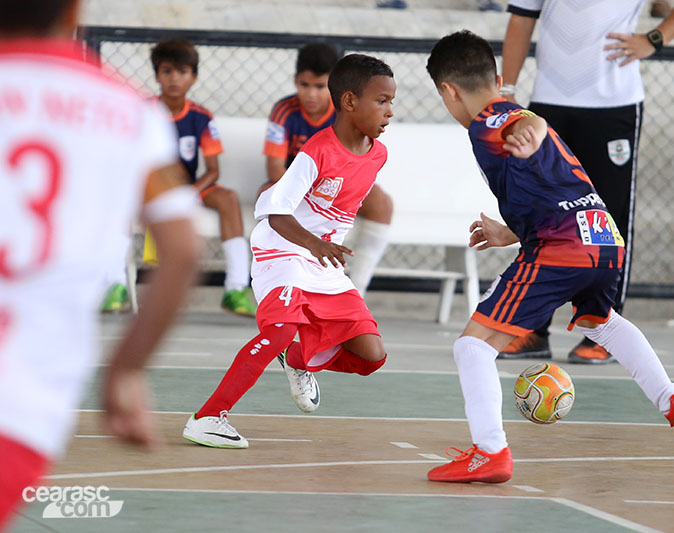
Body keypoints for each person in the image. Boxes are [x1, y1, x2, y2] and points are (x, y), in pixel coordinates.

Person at [424, 30, 674, 484]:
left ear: (448, 91)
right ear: (498, 77)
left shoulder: (492, 119)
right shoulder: (503, 114)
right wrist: (511, 231)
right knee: (604, 322)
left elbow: (529, 123)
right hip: (602, 237)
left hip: (560, 246)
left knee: (472, 346)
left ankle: (490, 451)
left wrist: (530, 134)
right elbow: (552, 189)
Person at [0, 0, 200, 526]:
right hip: (22, 400)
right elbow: (181, 251)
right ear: (73, 14)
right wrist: (125, 370)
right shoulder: (128, 110)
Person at [183, 53, 396, 448]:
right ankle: (208, 417)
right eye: (381, 101)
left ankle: (297, 358)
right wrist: (317, 244)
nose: (389, 111)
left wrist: (323, 248)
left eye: (391, 102)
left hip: (323, 259)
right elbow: (274, 211)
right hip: (282, 247)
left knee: (372, 356)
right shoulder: (317, 152)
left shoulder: (379, 154)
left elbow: (340, 208)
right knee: (279, 329)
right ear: (349, 102)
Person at [499, 0, 674, 363]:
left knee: (608, 220)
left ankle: (603, 328)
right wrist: (508, 91)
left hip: (614, 105)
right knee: (541, 215)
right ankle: (533, 328)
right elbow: (521, 21)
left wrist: (655, 38)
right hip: (548, 105)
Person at [261, 42, 394, 295]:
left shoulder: (347, 112)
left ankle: (358, 287)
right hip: (299, 190)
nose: (311, 94)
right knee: (267, 194)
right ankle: (272, 278)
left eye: (320, 86)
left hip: (338, 189)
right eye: (304, 85)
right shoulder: (284, 111)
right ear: (295, 81)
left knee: (382, 203)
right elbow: (274, 168)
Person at [151, 39, 256, 316]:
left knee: (228, 198)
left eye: (182, 71)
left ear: (193, 77)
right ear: (157, 75)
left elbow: (213, 171)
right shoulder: (142, 112)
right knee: (119, 198)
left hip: (188, 188)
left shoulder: (201, 117)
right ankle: (115, 284)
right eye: (167, 71)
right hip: (149, 189)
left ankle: (236, 288)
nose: (175, 78)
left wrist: (189, 193)